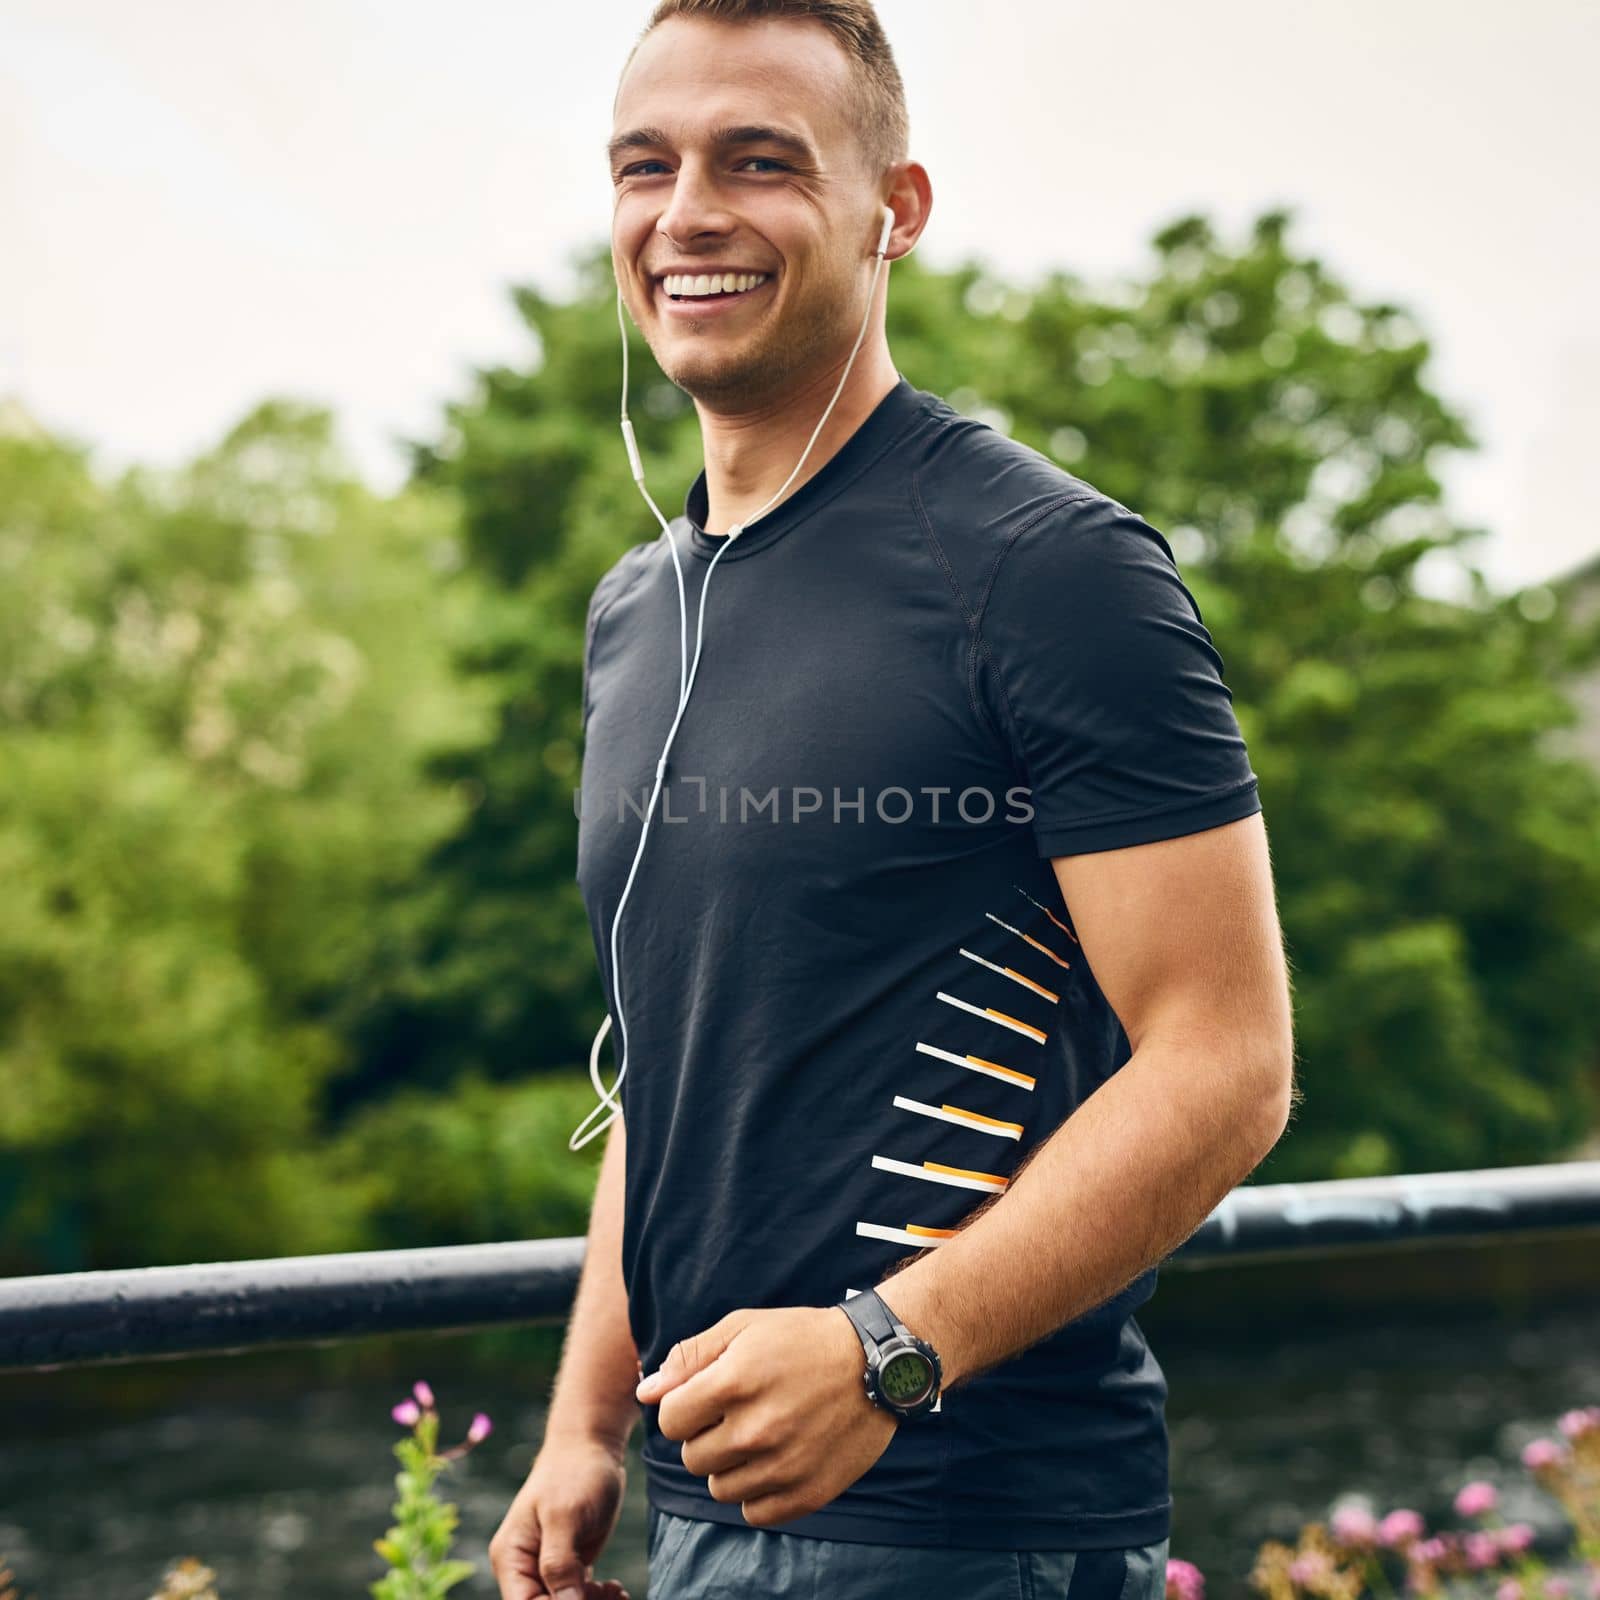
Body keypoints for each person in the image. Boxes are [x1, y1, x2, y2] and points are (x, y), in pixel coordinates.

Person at [489, 2, 1297, 1597]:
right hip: (702, 1506)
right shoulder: (637, 612)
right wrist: (587, 1423)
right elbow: (680, 1059)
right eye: (644, 166)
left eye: (759, 161)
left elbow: (1229, 1060)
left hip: (968, 1528)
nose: (687, 211)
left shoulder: (1046, 568)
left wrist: (887, 1354)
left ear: (895, 212)